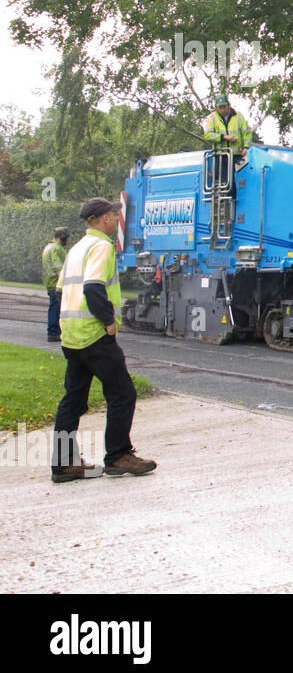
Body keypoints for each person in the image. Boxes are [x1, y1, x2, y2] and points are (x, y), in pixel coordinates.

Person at [50, 197, 157, 483]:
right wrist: (109, 321)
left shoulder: (76, 248)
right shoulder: (101, 247)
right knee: (122, 393)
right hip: (94, 335)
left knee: (73, 400)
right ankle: (118, 455)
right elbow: (94, 288)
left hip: (71, 336)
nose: (117, 219)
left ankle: (62, 465)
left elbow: (61, 291)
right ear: (105, 218)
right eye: (114, 214)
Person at [41, 227, 69, 342]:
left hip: (50, 282)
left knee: (55, 307)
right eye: (66, 238)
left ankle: (55, 332)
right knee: (56, 308)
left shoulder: (49, 247)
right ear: (62, 237)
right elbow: (59, 268)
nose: (67, 240)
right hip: (56, 283)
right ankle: (53, 333)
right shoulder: (56, 249)